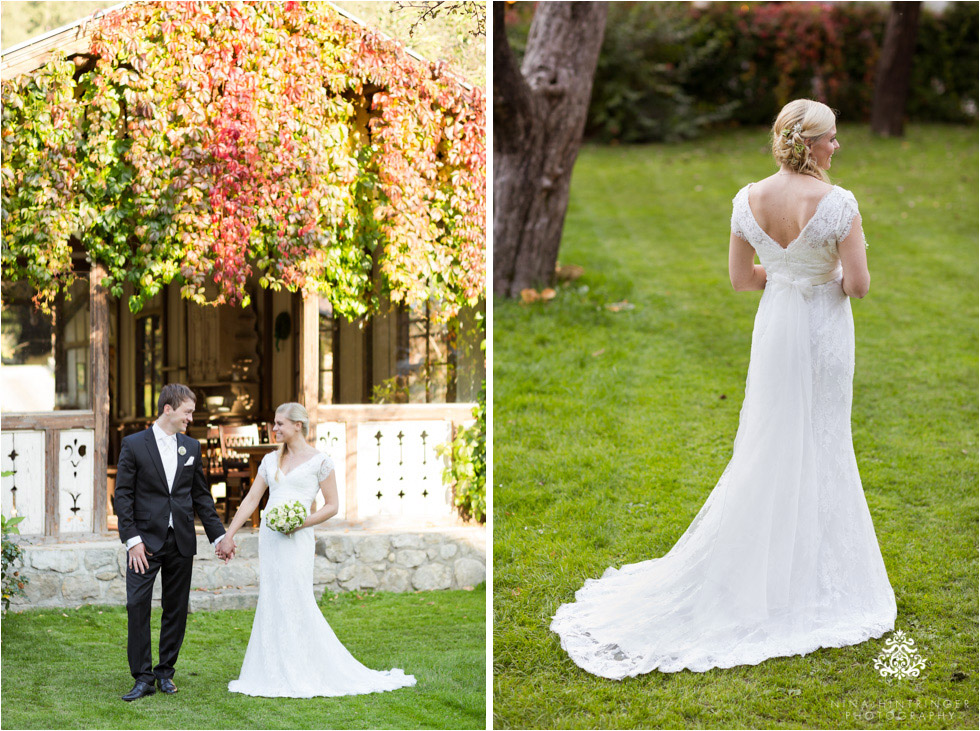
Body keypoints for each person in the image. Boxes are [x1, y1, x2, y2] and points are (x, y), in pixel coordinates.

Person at [550, 99, 897, 678]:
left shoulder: (747, 199)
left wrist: (784, 271)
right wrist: (825, 272)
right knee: (825, 440)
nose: (838, 147)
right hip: (822, 332)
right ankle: (813, 576)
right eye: (832, 138)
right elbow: (858, 286)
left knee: (770, 442)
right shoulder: (838, 204)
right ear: (809, 144)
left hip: (776, 327)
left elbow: (741, 279)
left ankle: (767, 564)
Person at [219, 402, 417, 697]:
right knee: (272, 597)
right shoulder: (270, 461)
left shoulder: (320, 461)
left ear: (298, 425)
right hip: (271, 539)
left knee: (296, 596)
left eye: (280, 424)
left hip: (298, 538)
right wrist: (229, 535)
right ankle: (271, 669)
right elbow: (250, 501)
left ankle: (304, 667)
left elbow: (333, 506)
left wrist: (301, 523)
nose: (274, 428)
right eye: (274, 423)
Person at [115, 383, 232, 701]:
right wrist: (132, 540)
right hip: (144, 543)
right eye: (187, 412)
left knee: (175, 608)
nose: (191, 418)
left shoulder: (191, 448)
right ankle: (142, 677)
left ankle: (165, 673)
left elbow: (201, 496)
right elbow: (122, 495)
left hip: (181, 540)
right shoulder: (134, 444)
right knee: (137, 605)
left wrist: (219, 536)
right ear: (168, 409)